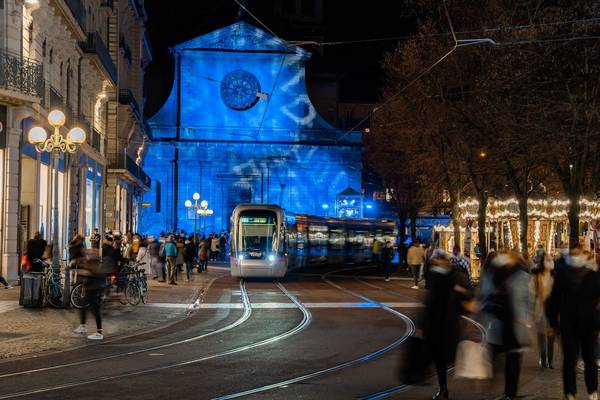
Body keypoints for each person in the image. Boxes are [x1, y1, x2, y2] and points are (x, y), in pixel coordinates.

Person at [546, 246, 600, 400]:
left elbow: (553, 300)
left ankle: (574, 392)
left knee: (575, 359)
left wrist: (552, 322)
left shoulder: (565, 273)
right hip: (583, 323)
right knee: (585, 359)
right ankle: (587, 392)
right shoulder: (592, 273)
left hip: (573, 322)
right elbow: (554, 300)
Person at [423, 249, 474, 400]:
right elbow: (429, 300)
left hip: (450, 322)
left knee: (446, 355)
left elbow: (469, 293)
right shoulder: (433, 275)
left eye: (437, 259)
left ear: (445, 260)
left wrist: (459, 291)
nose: (436, 262)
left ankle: (444, 387)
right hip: (437, 323)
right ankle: (443, 388)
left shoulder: (456, 274)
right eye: (434, 260)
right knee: (440, 358)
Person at [480, 251, 530, 400]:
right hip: (509, 324)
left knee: (507, 358)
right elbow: (527, 300)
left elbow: (485, 295)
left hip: (503, 323)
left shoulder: (493, 273)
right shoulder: (522, 276)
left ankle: (509, 392)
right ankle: (510, 393)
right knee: (512, 360)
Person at [531, 250, 555, 369]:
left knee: (551, 336)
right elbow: (531, 292)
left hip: (552, 309)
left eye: (551, 260)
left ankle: (550, 360)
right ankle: (543, 358)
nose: (550, 262)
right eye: (547, 260)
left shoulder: (554, 275)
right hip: (540, 307)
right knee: (541, 336)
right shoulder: (536, 275)